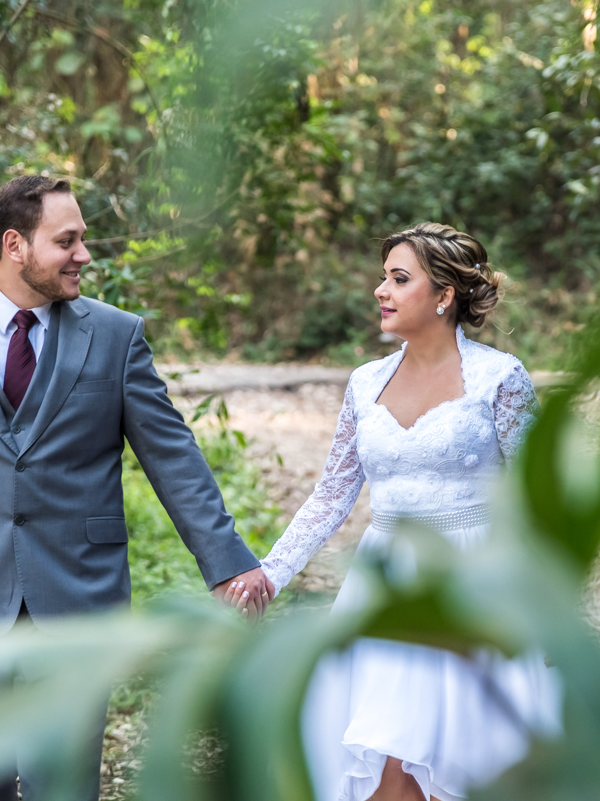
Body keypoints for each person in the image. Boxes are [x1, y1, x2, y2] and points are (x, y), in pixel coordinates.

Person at [0, 175, 274, 801]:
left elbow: (173, 457)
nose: (84, 255)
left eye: (83, 239)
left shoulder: (115, 334)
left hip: (78, 594)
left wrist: (227, 564)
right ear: (15, 245)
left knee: (66, 784)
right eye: (67, 241)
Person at [226, 223, 561, 801]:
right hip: (382, 593)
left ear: (443, 295)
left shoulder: (499, 379)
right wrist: (271, 573)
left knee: (459, 772)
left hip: (471, 588)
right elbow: (332, 494)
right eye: (383, 277)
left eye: (398, 279)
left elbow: (540, 498)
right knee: (389, 774)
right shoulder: (365, 383)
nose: (381, 290)